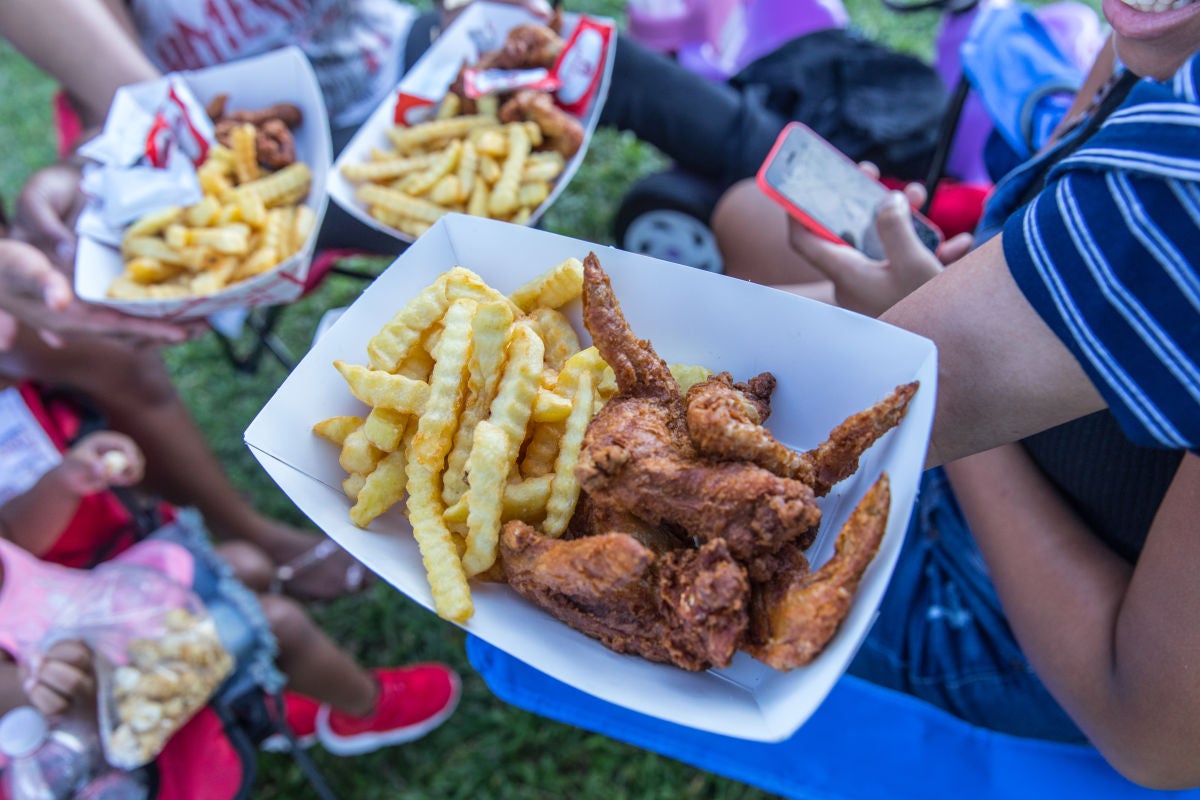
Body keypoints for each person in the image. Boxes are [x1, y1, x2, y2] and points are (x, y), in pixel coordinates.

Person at [700, 8, 1200, 783]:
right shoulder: (1158, 36)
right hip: (1012, 451)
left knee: (687, 494)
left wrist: (922, 371)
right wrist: (938, 287)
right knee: (748, 215)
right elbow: (1032, 219)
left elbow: (1155, 736)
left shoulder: (1184, 182)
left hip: (1007, 615)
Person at [0, 408, 462, 767]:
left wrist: (67, 478)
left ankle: (267, 692)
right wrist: (63, 681)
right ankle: (364, 708)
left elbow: (13, 532)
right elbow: (37, 713)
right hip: (103, 695)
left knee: (246, 564)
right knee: (278, 623)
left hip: (105, 604)